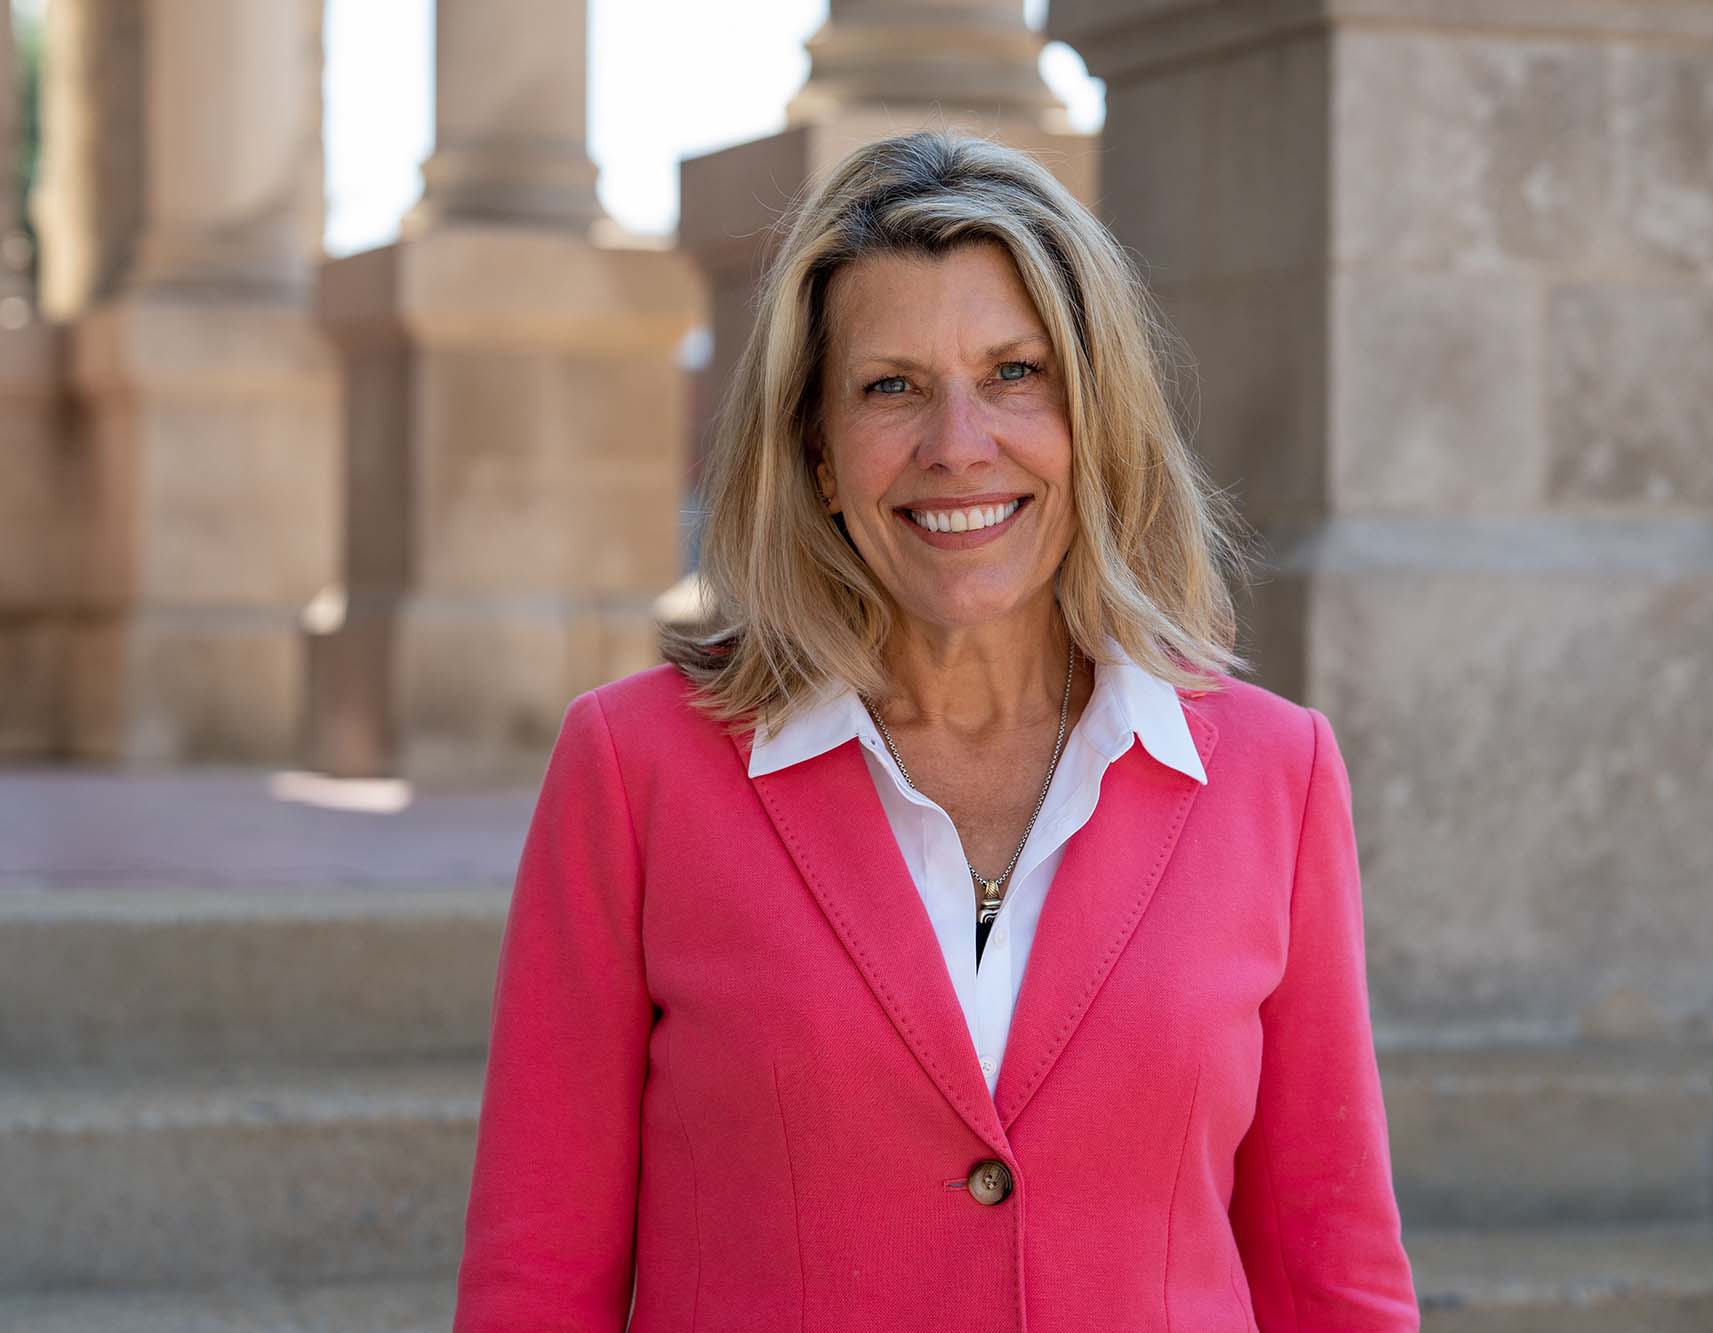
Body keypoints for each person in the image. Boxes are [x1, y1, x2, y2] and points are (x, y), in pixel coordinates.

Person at [452, 130, 1420, 1331]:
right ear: (813, 452)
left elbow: (1333, 1278)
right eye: (890, 385)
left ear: (1093, 417)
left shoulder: (1274, 776)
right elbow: (535, 1281)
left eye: (1013, 372)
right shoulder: (634, 770)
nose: (957, 443)